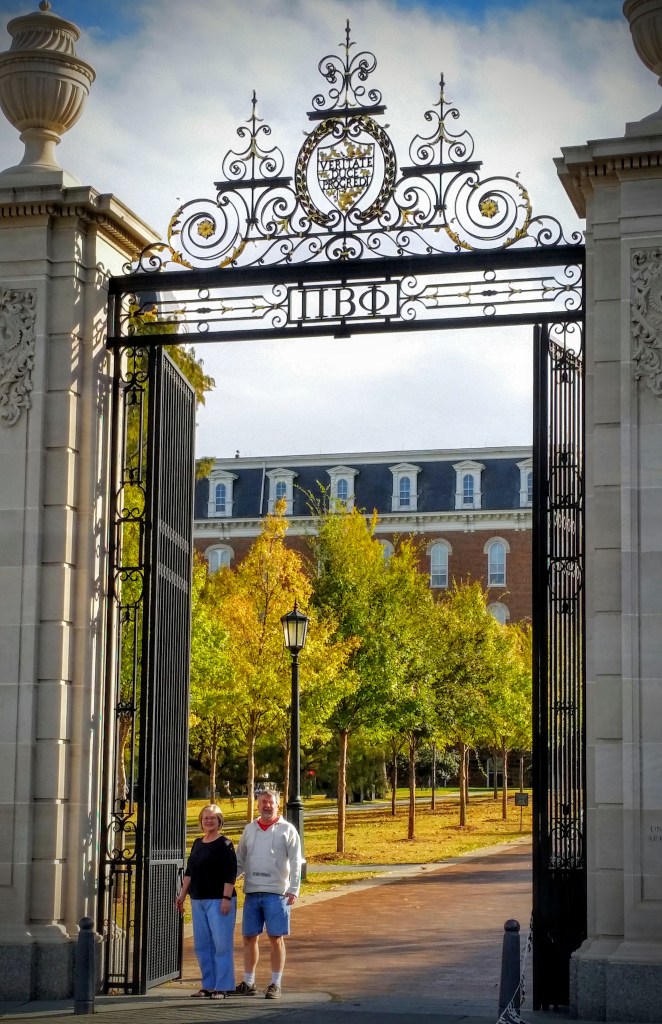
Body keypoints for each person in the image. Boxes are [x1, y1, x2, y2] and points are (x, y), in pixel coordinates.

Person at [229, 790, 302, 1000]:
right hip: (252, 892)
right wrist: (228, 882)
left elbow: (296, 861)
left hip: (277, 894)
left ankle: (275, 983)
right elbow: (240, 860)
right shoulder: (249, 829)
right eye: (263, 802)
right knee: (248, 938)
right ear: (258, 805)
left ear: (278, 805)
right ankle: (249, 982)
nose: (267, 805)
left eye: (271, 802)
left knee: (275, 938)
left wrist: (294, 888)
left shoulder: (288, 830)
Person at [176, 803, 237, 999]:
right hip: (198, 900)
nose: (209, 821)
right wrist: (182, 895)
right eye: (206, 818)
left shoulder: (225, 844)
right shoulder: (197, 843)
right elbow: (189, 872)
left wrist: (226, 898)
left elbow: (230, 873)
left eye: (213, 818)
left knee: (221, 945)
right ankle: (208, 985)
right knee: (203, 945)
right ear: (201, 821)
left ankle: (223, 986)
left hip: (219, 900)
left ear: (220, 821)